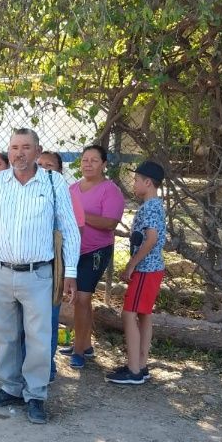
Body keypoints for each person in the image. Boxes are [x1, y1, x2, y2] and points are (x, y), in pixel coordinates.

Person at [0, 128, 81, 424]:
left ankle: (36, 395)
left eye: (26, 147)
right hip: (1, 272)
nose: (19, 153)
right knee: (4, 335)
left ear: (37, 150)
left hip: (38, 274)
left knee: (39, 338)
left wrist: (70, 271)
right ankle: (11, 387)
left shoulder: (54, 183)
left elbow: (69, 229)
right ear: (8, 150)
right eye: (14, 147)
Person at [60, 145, 125, 369]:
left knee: (83, 298)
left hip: (95, 251)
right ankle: (84, 344)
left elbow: (109, 223)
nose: (88, 164)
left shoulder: (110, 190)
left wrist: (79, 214)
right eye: (85, 160)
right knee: (77, 299)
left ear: (104, 165)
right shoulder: (72, 188)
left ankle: (79, 351)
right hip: (72, 251)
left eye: (94, 160)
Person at [105, 161, 167, 385]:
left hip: (145, 268)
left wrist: (132, 264)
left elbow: (150, 238)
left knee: (129, 313)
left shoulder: (150, 207)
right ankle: (140, 363)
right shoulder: (154, 205)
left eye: (137, 180)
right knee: (143, 314)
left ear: (148, 182)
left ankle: (133, 370)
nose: (134, 183)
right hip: (153, 268)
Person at [33, 150, 85, 381]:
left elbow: (75, 231)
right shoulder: (28, 190)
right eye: (40, 164)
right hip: (30, 266)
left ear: (60, 171)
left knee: (49, 317)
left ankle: (48, 366)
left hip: (55, 266)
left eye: (50, 166)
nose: (44, 169)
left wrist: (66, 269)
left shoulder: (64, 192)